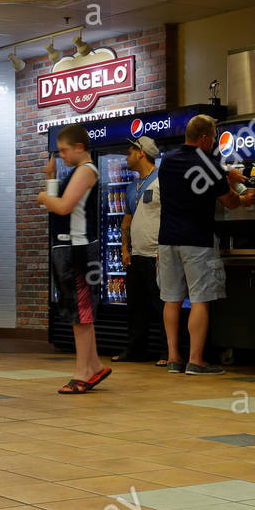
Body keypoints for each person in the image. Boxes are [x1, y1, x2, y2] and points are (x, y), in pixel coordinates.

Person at [156, 114, 255, 375]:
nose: (214, 142)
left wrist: (224, 173)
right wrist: (244, 198)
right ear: (204, 138)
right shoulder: (211, 164)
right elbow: (230, 202)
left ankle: (173, 358)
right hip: (197, 240)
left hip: (167, 240)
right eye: (213, 137)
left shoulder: (167, 161)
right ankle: (196, 360)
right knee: (200, 300)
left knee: (171, 299)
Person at [37, 124, 111, 394]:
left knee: (80, 313)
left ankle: (82, 372)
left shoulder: (85, 170)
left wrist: (44, 197)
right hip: (70, 248)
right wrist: (51, 179)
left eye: (65, 150)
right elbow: (62, 207)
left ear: (80, 148)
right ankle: (93, 365)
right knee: (78, 312)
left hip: (78, 249)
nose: (62, 155)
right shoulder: (77, 171)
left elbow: (63, 206)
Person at [112, 136, 168, 366]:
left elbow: (168, 216)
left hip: (156, 254)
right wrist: (125, 249)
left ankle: (167, 352)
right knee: (135, 307)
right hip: (135, 256)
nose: (126, 157)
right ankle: (136, 350)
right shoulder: (131, 187)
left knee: (164, 305)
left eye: (129, 152)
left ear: (141, 153)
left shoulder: (162, 180)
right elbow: (127, 220)